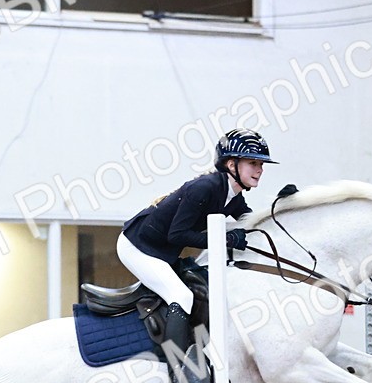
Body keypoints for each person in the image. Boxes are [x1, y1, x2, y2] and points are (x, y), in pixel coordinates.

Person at [117, 128, 277, 359]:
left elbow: (251, 223)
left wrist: (281, 209)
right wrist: (227, 239)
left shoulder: (232, 196)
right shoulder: (204, 188)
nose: (260, 169)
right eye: (253, 163)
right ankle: (176, 366)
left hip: (162, 252)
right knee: (181, 296)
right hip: (138, 248)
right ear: (231, 165)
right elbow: (177, 235)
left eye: (261, 164)